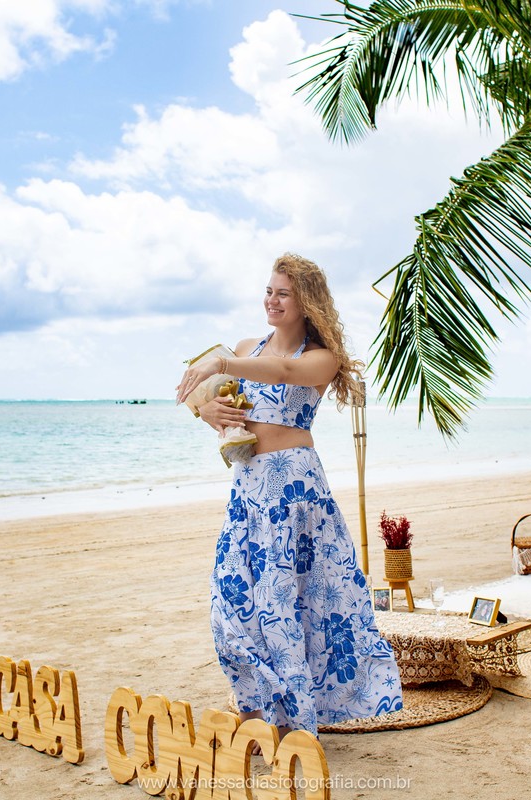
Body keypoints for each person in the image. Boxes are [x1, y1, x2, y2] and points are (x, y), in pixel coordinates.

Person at [176, 253, 403, 735]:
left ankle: (284, 723)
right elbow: (222, 402)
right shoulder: (246, 346)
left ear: (306, 303)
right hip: (249, 487)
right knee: (233, 604)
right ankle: (255, 710)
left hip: (295, 492)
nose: (271, 300)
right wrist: (209, 413)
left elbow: (277, 372)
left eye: (283, 293)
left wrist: (220, 361)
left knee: (289, 607)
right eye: (269, 290)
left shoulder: (320, 358)